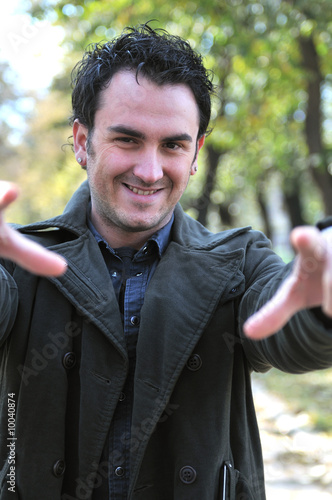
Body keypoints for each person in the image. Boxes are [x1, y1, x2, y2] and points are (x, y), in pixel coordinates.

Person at [0, 23, 331, 500]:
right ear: (80, 141)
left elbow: (289, 332)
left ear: (196, 154)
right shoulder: (18, 261)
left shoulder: (239, 261)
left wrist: (322, 303)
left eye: (173, 144)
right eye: (127, 140)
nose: (150, 171)